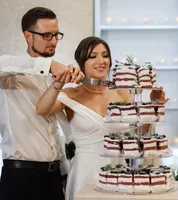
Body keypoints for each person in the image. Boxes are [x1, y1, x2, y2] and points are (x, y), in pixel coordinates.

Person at [36, 36, 168, 200]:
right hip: (84, 173)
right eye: (93, 56)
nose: (101, 61)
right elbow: (41, 109)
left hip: (118, 173)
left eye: (105, 55)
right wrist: (59, 82)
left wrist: (154, 104)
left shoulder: (123, 93)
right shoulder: (71, 95)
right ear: (81, 62)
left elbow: (138, 135)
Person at [0, 7, 84, 200]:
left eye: (56, 35)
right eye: (47, 35)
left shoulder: (56, 76)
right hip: (21, 178)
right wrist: (47, 65)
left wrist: (64, 172)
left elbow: (53, 129)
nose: (53, 41)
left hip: (54, 177)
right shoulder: (10, 74)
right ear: (28, 36)